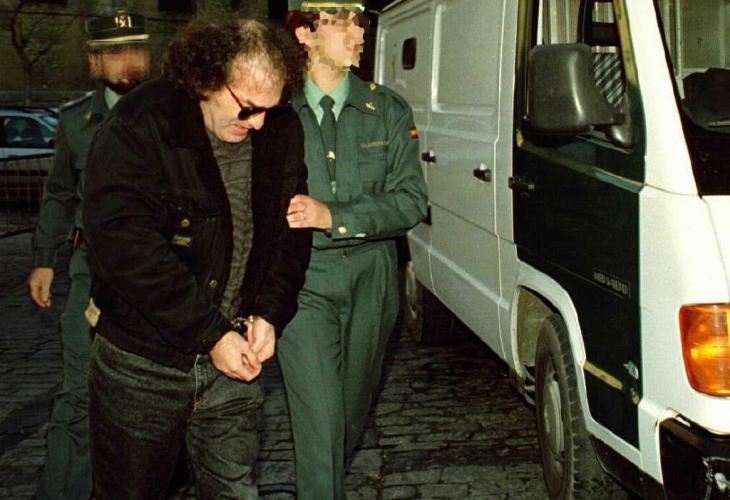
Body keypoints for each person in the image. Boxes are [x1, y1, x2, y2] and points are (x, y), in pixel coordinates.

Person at [82, 18, 310, 499]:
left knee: (234, 490)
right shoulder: (139, 125)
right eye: (248, 108)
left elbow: (290, 234)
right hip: (143, 364)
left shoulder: (280, 128)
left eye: (269, 109)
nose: (258, 123)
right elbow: (127, 251)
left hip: (235, 360)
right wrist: (210, 334)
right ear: (207, 79)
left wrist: (270, 312)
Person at [280, 2, 428, 498]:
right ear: (304, 33)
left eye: (360, 21)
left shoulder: (387, 110)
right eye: (340, 21)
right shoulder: (276, 113)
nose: (358, 33)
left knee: (346, 419)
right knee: (319, 424)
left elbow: (412, 201)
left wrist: (334, 216)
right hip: (302, 282)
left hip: (373, 279)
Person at [27, 8, 150, 499]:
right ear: (94, 60)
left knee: (152, 399)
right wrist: (44, 259)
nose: (128, 60)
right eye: (115, 52)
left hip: (156, 273)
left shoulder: (174, 112)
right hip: (91, 270)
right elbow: (59, 193)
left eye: (136, 49)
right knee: (78, 391)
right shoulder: (76, 121)